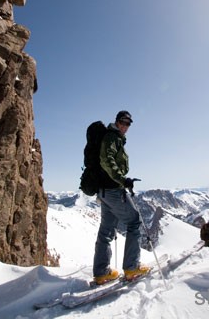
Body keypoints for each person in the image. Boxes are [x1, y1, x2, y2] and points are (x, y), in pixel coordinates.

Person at [92, 110, 150, 285]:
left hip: (104, 191)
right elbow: (106, 159)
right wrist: (122, 179)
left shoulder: (115, 138)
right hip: (113, 190)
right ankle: (132, 268)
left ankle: (102, 273)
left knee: (106, 231)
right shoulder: (112, 137)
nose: (125, 126)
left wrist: (122, 179)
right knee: (134, 222)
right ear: (117, 122)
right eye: (123, 122)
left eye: (128, 123)